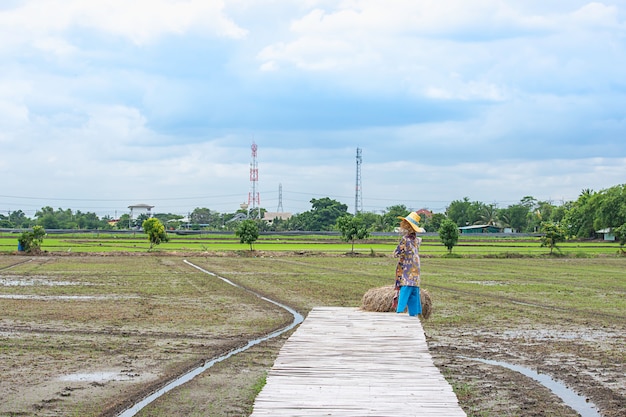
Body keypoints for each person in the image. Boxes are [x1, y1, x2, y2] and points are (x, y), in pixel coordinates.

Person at [394, 211, 425, 317]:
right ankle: (413, 314)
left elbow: (397, 253)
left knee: (405, 290)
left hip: (407, 269)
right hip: (416, 269)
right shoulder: (418, 240)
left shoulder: (405, 240)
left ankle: (399, 311)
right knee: (414, 292)